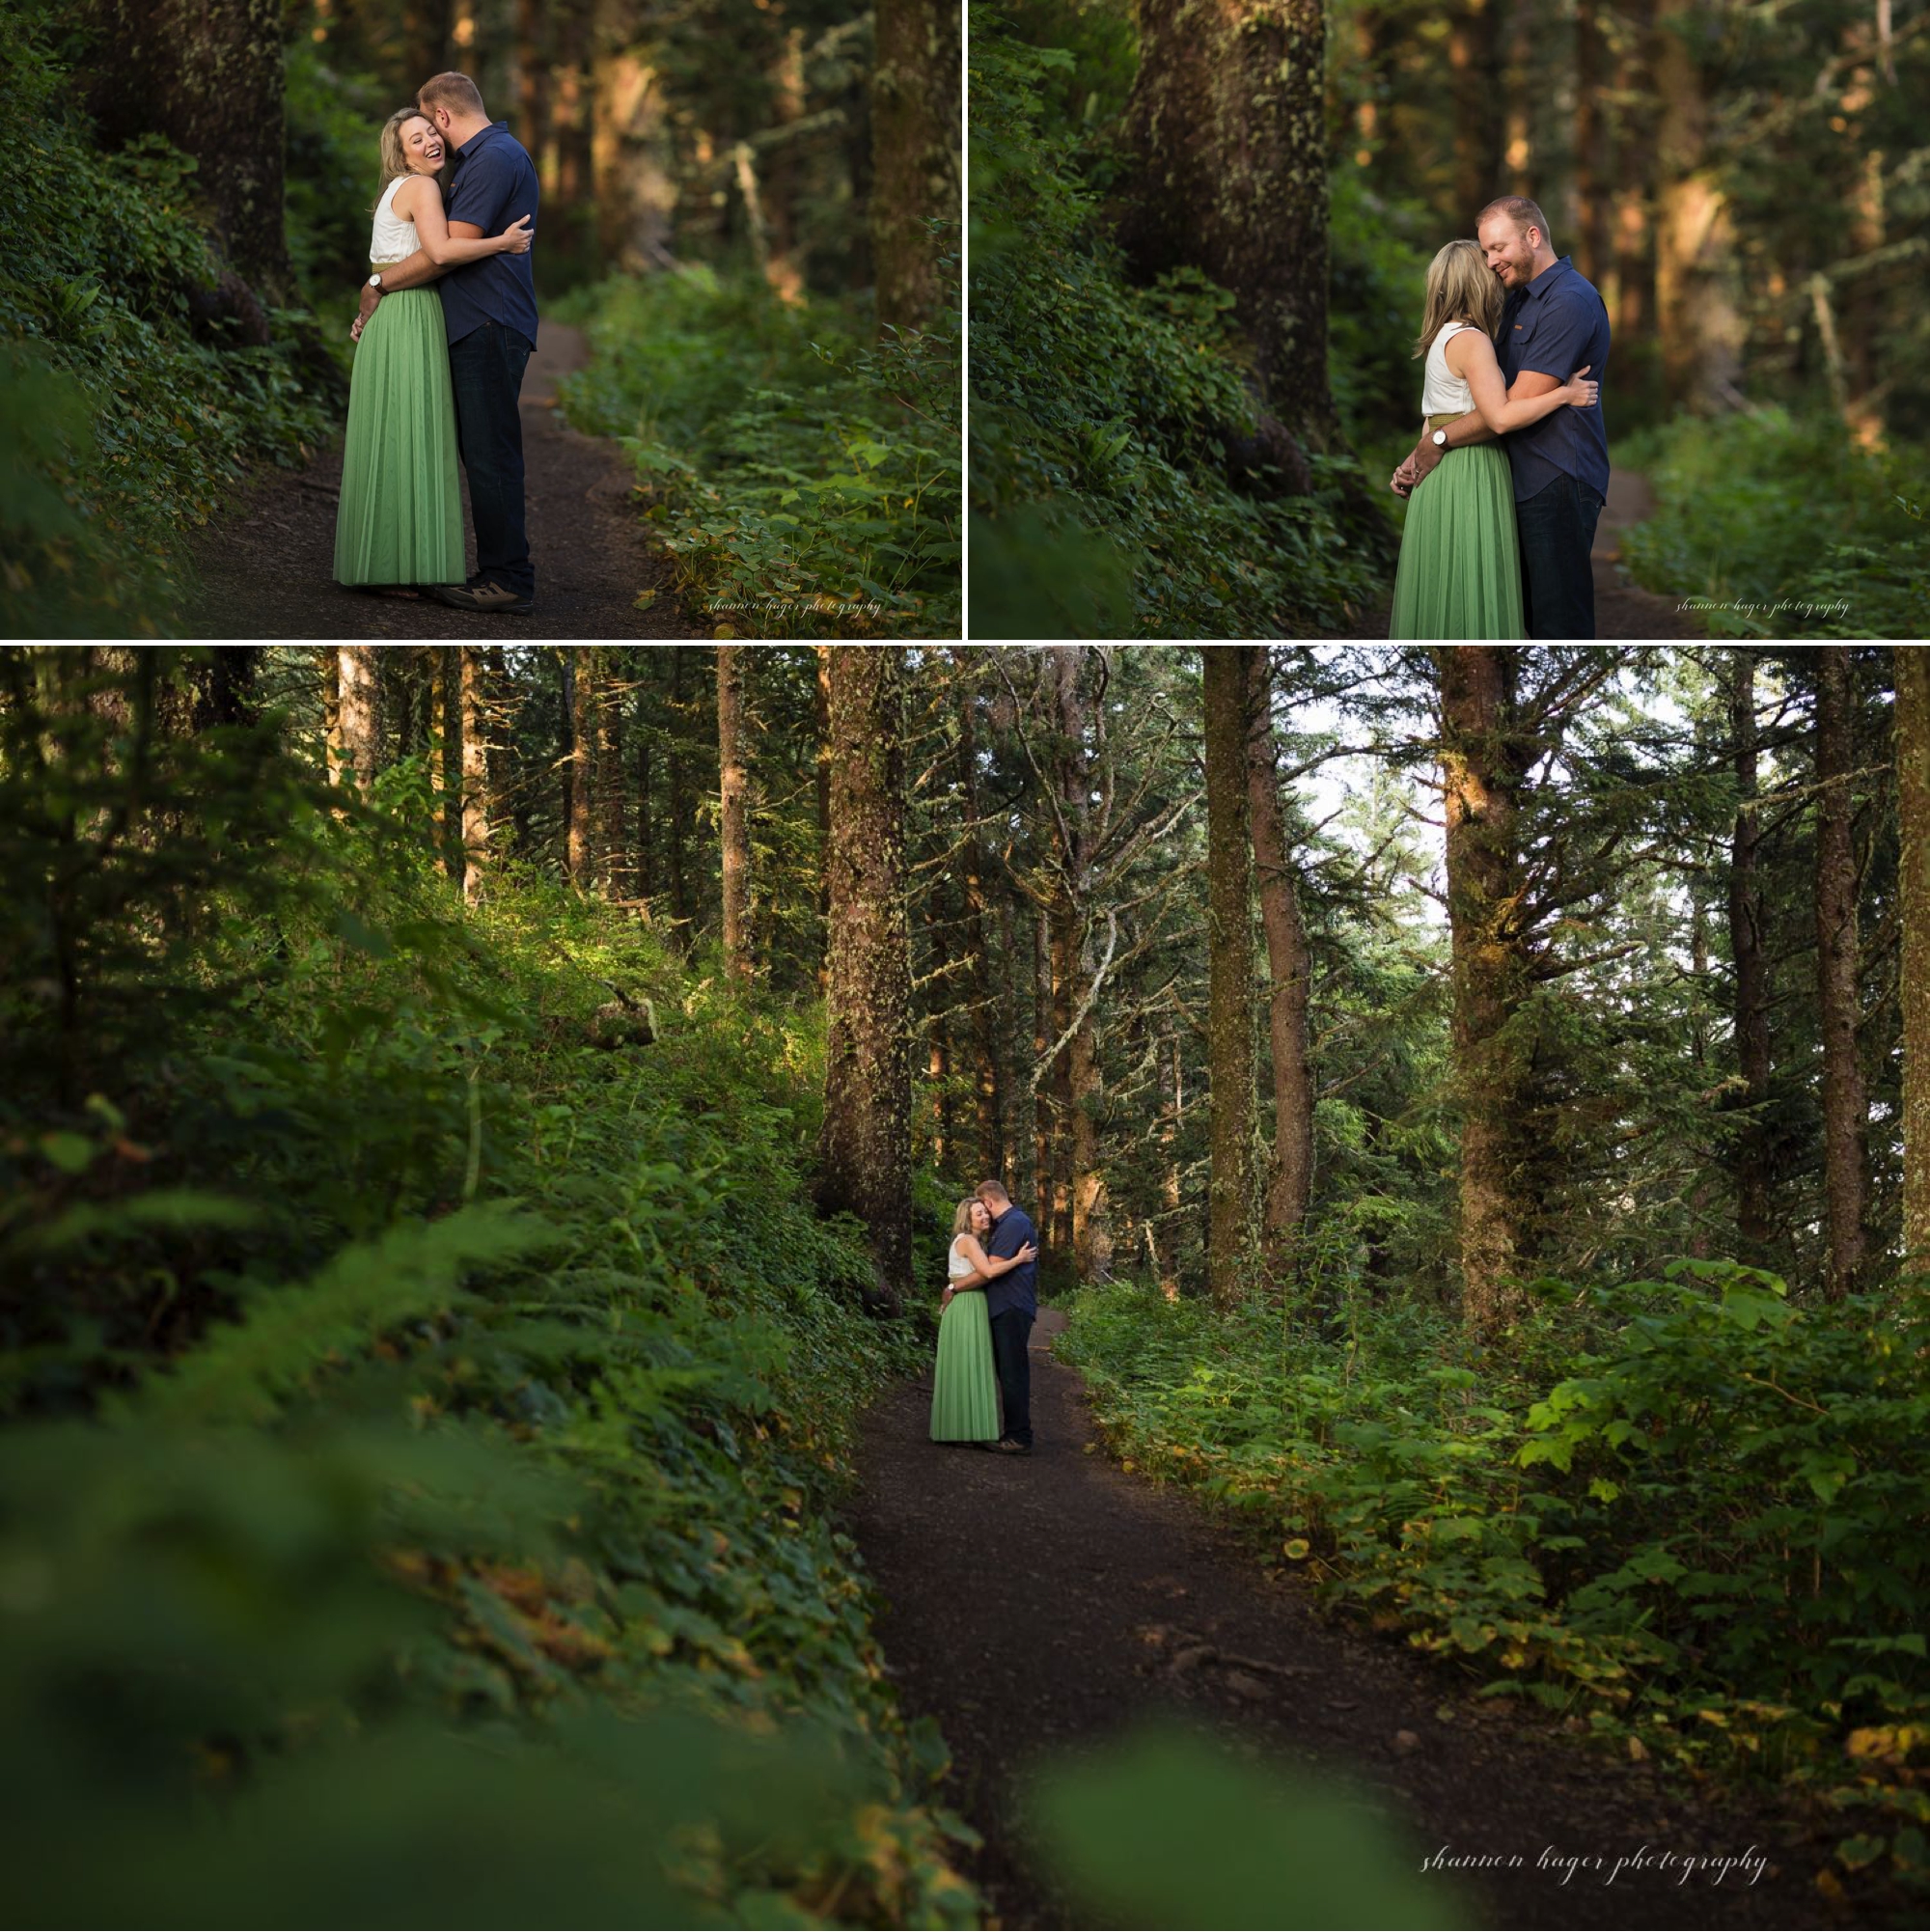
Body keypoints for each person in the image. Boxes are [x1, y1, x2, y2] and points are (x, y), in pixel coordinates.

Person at [354, 72, 540, 616]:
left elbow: (446, 249)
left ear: (440, 115)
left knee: (490, 453)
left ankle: (508, 578)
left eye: (427, 124)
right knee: (479, 451)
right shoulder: (480, 160)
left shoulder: (491, 159)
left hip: (488, 321)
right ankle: (490, 569)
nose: (431, 140)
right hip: (475, 322)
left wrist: (378, 283)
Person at [1393, 198, 1613, 639]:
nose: (1491, 261)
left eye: (1497, 249)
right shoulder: (1517, 302)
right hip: (1514, 477)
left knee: (1557, 619)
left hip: (1556, 477)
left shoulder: (1568, 302)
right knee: (1520, 615)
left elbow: (1505, 410)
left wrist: (1435, 442)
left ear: (1533, 236)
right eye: (1485, 253)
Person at [931, 1199, 1036, 1445]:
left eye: (985, 1212)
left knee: (970, 1364)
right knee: (966, 1363)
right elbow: (988, 1272)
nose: (985, 1217)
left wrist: (952, 1287)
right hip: (967, 1304)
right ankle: (961, 1430)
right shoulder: (968, 1240)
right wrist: (1019, 1259)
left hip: (973, 1303)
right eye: (979, 1214)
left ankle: (965, 1428)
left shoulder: (977, 1242)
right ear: (967, 1219)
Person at [975, 1178, 1039, 1455]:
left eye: (983, 1209)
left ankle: (1019, 1436)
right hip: (1008, 1306)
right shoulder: (1009, 1224)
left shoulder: (1014, 1223)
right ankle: (1015, 1432)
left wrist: (956, 1284)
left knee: (1013, 1373)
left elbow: (992, 1266)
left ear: (989, 1202)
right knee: (1008, 1371)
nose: (984, 1215)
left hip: (1012, 1306)